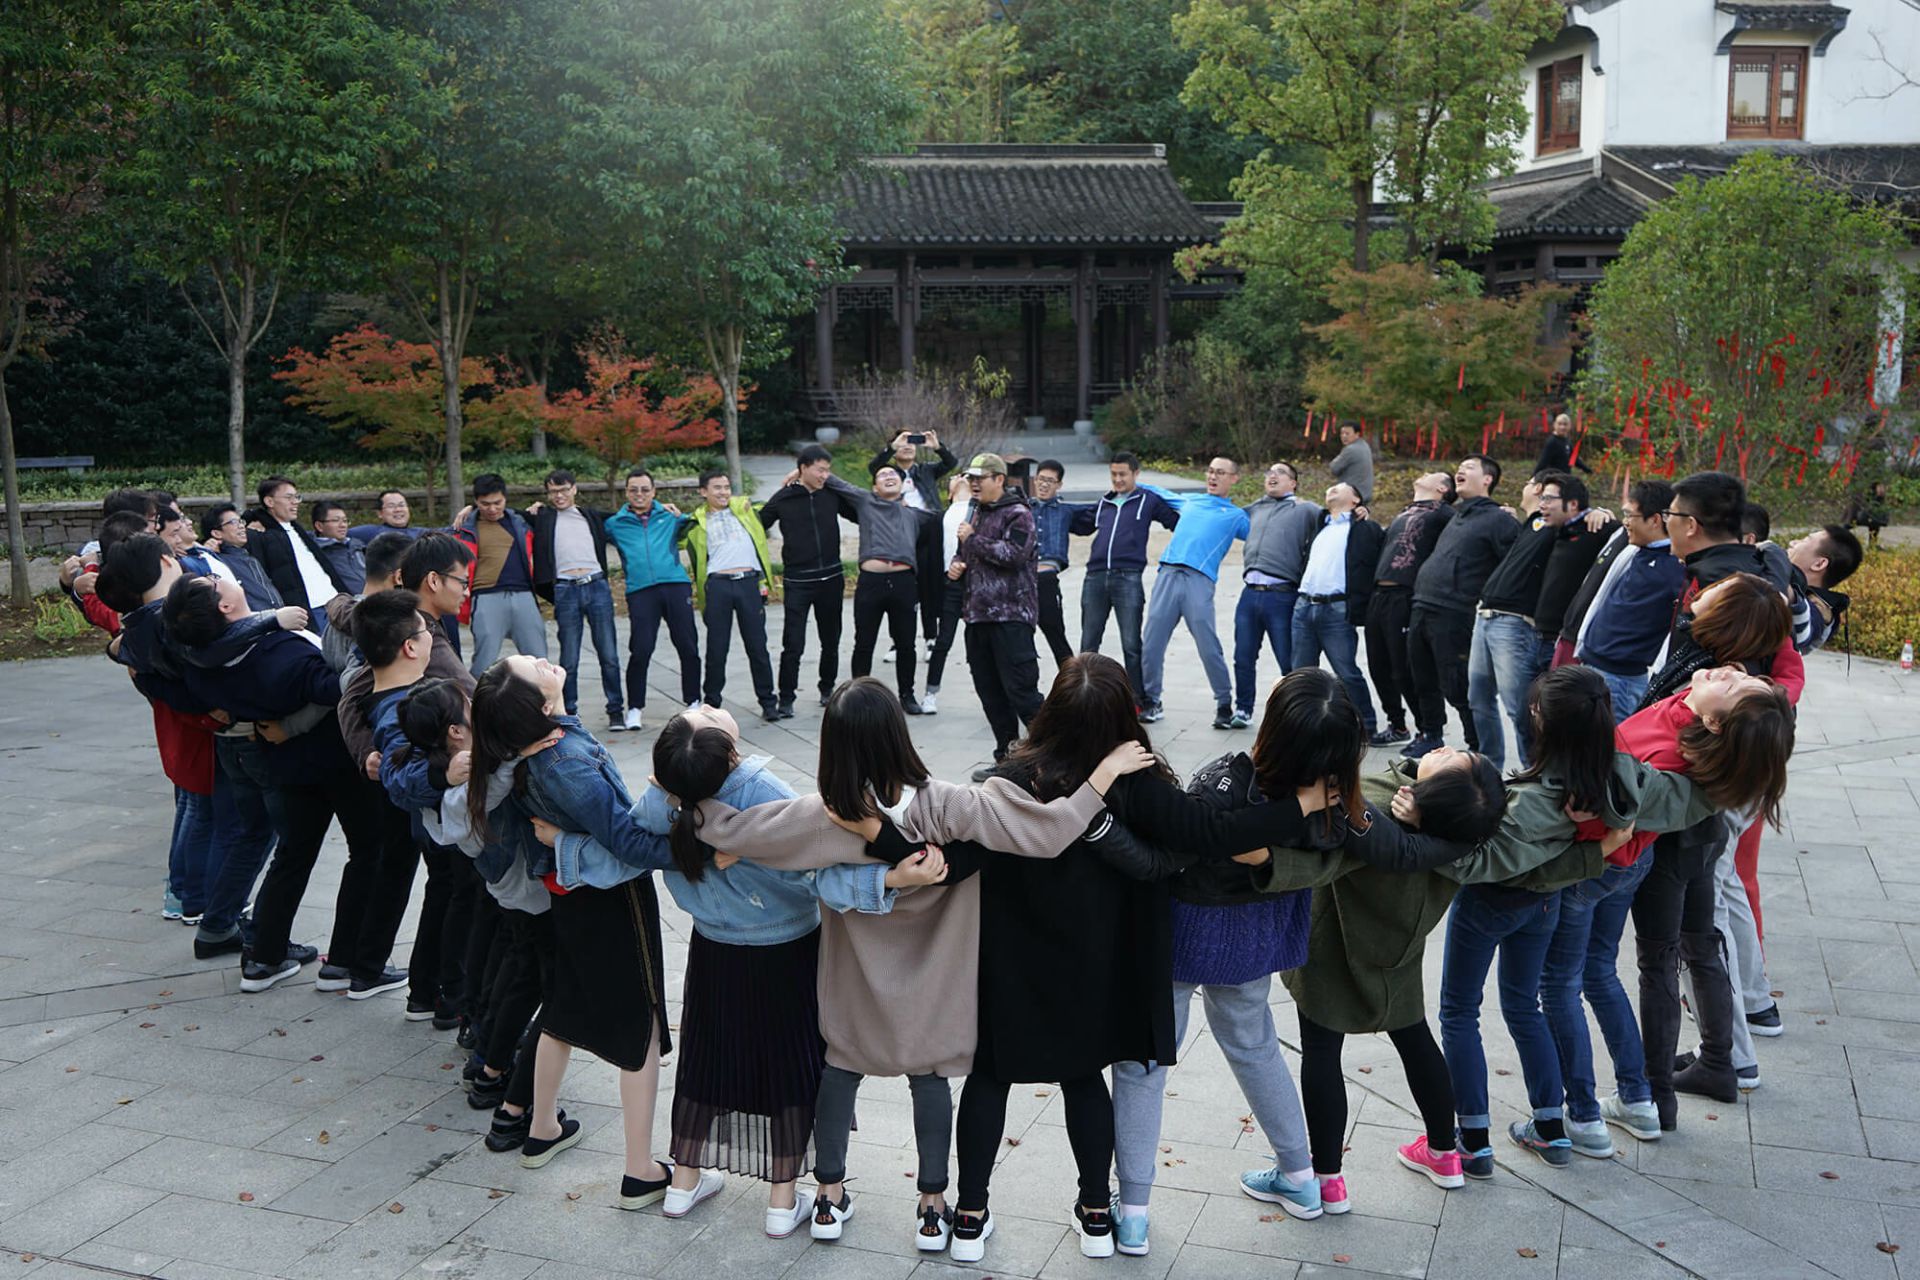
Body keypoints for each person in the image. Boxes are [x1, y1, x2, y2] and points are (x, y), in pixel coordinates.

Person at [532, 707, 909, 1232]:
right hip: (787, 948)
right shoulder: (759, 789)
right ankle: (782, 1201)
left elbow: (626, 855)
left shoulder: (664, 796)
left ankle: (683, 1183)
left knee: (708, 1060)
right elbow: (815, 872)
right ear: (729, 753)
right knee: (790, 1064)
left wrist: (566, 847)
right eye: (705, 714)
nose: (707, 705)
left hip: (713, 946)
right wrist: (887, 881)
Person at [1243, 742, 1510, 1212]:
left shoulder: (1381, 805)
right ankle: (1444, 1154)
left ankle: (1327, 1179)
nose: (1447, 746)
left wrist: (1262, 860)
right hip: (1399, 951)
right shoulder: (1467, 827)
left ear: (1436, 795)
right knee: (1416, 1041)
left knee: (1322, 1052)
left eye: (1454, 762)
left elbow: (1325, 862)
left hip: (1336, 945)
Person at [1547, 661, 1795, 1152]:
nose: (1728, 671)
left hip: (1647, 857)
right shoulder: (1697, 718)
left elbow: (1616, 803)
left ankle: (1640, 1099)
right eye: (1739, 673)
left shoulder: (1674, 756)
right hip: (1672, 849)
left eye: (1736, 682)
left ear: (1716, 723)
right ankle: (1697, 1073)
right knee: (1679, 952)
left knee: (1636, 965)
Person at [464, 654, 676, 1197]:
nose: (543, 658)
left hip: (569, 896)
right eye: (533, 666)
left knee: (562, 1007)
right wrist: (699, 853)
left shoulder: (528, 749)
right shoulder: (565, 761)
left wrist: (564, 842)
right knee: (641, 1027)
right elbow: (628, 842)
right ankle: (639, 1170)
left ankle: (542, 1128)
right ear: (539, 706)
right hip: (611, 900)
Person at [165, 571, 384, 994]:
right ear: (225, 606)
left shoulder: (201, 660)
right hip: (336, 759)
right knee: (368, 851)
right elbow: (336, 689)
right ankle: (345, 961)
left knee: (292, 854)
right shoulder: (279, 655)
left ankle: (263, 956)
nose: (218, 574)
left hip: (283, 763)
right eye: (213, 581)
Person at [1467, 472, 1589, 770]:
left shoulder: (1557, 527)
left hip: (1514, 623)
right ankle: (1489, 769)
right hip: (1485, 616)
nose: (1542, 501)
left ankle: (1533, 770)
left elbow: (1583, 521)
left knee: (1520, 707)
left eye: (1548, 496)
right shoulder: (1531, 524)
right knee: (1478, 699)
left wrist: (1597, 512)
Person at [1406, 455, 1519, 758]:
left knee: (1457, 685)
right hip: (1423, 604)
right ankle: (1431, 734)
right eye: (1460, 467)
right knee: (1422, 677)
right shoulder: (1456, 515)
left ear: (1487, 479)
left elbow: (1513, 565)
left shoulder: (1499, 520)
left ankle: (1477, 748)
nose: (1460, 470)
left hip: (1454, 611)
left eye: (1469, 467)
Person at [1138, 457, 1250, 727]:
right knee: (1151, 643)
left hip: (1199, 580)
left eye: (1220, 473)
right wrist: (1130, 481)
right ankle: (1152, 700)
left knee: (1208, 644)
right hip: (1167, 574)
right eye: (1210, 471)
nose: (1213, 477)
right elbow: (1155, 491)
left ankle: (1224, 703)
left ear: (1234, 478)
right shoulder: (1190, 501)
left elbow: (1267, 531)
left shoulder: (1236, 516)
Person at [951, 453, 1044, 775]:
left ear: (999, 479)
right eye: (971, 479)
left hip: (1010, 618)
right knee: (990, 693)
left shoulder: (1019, 514)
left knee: (1022, 692)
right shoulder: (975, 512)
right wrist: (956, 565)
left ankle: (1056, 754)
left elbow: (1014, 555)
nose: (974, 484)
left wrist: (972, 539)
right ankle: (1007, 758)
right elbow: (965, 552)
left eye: (981, 478)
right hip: (977, 618)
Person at [819, 463, 935, 714]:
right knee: (864, 642)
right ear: (874, 487)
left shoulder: (915, 515)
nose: (888, 476)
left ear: (903, 484)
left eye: (893, 474)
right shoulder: (866, 501)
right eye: (882, 475)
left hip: (904, 584)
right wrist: (803, 471)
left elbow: (941, 517)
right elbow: (834, 481)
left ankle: (907, 695)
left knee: (906, 644)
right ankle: (858, 696)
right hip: (871, 583)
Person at [1566, 481, 1684, 719]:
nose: (1626, 522)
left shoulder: (1675, 566)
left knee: (1614, 742)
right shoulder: (1636, 550)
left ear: (1655, 520)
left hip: (1621, 680)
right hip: (1593, 664)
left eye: (1630, 515)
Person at [758, 444, 859, 715]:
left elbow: (861, 511)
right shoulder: (784, 497)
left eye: (828, 470)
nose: (825, 475)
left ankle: (827, 689)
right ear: (803, 468)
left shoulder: (831, 494)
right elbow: (757, 524)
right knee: (793, 643)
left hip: (832, 579)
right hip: (798, 582)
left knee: (831, 640)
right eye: (820, 470)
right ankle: (786, 698)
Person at [1072, 452, 1180, 706]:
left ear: (1135, 474)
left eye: (1123, 474)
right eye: (1113, 474)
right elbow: (1081, 526)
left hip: (1128, 579)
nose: (1118, 479)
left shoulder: (1148, 500)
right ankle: (1083, 698)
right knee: (1088, 643)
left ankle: (1137, 699)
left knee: (1131, 644)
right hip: (1095, 577)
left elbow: (1176, 522)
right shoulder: (1104, 502)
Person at [527, 470, 624, 732]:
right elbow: (505, 512)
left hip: (597, 585)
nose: (559, 496)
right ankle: (568, 711)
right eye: (553, 492)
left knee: (609, 653)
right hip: (566, 589)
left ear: (574, 489)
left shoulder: (590, 515)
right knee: (569, 658)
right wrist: (468, 509)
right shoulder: (544, 517)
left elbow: (626, 516)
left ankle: (616, 710)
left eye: (563, 490)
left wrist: (664, 507)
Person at [1366, 471, 1456, 749]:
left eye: (1433, 474)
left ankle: (1428, 730)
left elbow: (1469, 528)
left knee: (1406, 668)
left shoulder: (1444, 513)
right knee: (1378, 666)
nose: (1424, 473)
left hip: (1406, 595)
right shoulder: (1406, 511)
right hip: (1379, 594)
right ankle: (1397, 725)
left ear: (1443, 488)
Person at [603, 470, 699, 729]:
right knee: (641, 648)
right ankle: (635, 708)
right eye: (634, 489)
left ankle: (693, 701)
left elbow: (698, 520)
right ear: (626, 492)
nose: (639, 494)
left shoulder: (670, 517)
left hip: (675, 585)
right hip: (640, 590)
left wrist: (679, 513)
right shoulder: (615, 524)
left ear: (654, 492)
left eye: (645, 489)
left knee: (687, 644)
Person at [1288, 482, 1383, 736]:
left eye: (1340, 488)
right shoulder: (1321, 525)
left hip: (1336, 609)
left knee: (1346, 672)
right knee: (1300, 673)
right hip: (1304, 606)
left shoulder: (1363, 528)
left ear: (1356, 500)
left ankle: (1366, 724)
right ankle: (1300, 726)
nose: (1332, 489)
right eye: (1330, 487)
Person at [1231, 462, 1320, 729]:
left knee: (1288, 660)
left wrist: (1361, 509)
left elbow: (1335, 516)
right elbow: (1225, 517)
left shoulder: (1305, 509)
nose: (1273, 475)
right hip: (1249, 595)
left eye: (1280, 472)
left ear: (1293, 483)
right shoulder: (1255, 508)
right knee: (1243, 657)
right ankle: (1243, 709)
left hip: (1282, 596)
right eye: (1269, 472)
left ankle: (1298, 714)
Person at [686, 469, 780, 719]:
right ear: (703, 492)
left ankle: (768, 702)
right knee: (717, 649)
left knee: (757, 646)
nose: (723, 492)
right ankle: (712, 703)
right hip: (718, 586)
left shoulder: (746, 511)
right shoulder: (696, 523)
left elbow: (771, 505)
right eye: (717, 488)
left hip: (748, 583)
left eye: (727, 487)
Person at [870, 429, 959, 649]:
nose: (908, 446)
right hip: (900, 533)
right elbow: (874, 468)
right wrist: (891, 448)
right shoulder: (888, 474)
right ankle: (898, 642)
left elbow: (950, 463)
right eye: (903, 442)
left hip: (928, 531)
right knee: (901, 588)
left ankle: (930, 637)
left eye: (911, 442)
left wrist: (937, 447)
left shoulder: (925, 470)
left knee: (929, 585)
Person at [455, 474, 547, 675]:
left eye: (497, 503)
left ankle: (545, 696)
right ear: (476, 501)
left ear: (505, 498)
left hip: (524, 596)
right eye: (485, 504)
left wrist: (541, 507)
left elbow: (553, 517)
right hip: (486, 597)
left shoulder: (520, 522)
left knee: (539, 662)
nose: (492, 509)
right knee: (483, 664)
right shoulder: (466, 527)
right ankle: (476, 696)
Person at [249, 475, 347, 634]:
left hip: (336, 602)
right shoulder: (260, 533)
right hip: (310, 609)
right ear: (269, 501)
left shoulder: (297, 529)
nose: (295, 502)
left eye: (297, 497)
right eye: (289, 497)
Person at [922, 474, 973, 715]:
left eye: (965, 476)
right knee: (943, 640)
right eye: (956, 477)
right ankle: (930, 693)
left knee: (983, 643)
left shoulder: (980, 511)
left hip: (978, 583)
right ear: (949, 492)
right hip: (950, 583)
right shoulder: (940, 516)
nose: (960, 478)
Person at [1025, 460, 1084, 667]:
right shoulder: (1022, 508)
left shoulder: (1065, 511)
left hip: (1046, 579)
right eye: (1041, 479)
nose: (1044, 484)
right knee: (1020, 638)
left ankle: (1073, 681)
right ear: (1034, 480)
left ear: (1059, 484)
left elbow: (1100, 512)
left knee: (1056, 634)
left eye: (1050, 481)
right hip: (1020, 580)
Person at [1786, 524, 1861, 654]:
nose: (1792, 542)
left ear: (1819, 564)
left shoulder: (1818, 614)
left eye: (1804, 540)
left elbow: (1799, 635)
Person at [200, 504, 285, 612]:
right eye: (233, 522)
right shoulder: (219, 562)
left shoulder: (247, 557)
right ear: (217, 533)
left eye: (241, 521)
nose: (241, 526)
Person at [311, 501, 367, 594]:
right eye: (336, 520)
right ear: (319, 526)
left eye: (345, 521)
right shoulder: (317, 553)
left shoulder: (357, 545)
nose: (343, 525)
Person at [350, 490, 420, 544]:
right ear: (380, 513)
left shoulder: (421, 533)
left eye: (401, 505)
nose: (398, 509)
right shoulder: (369, 532)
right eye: (391, 506)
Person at [1329, 421, 1374, 503]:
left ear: (1357, 434)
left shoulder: (1351, 450)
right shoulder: (1364, 445)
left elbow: (1334, 468)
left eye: (1347, 434)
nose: (1344, 436)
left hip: (1352, 495)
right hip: (1365, 493)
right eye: (1342, 433)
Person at [1534, 412, 1589, 476]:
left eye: (1565, 424)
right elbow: (1543, 462)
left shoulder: (1567, 440)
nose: (1562, 427)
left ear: (1569, 426)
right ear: (1554, 425)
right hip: (1554, 477)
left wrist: (1588, 471)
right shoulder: (1552, 442)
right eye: (1559, 424)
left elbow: (1574, 459)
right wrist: (1533, 477)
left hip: (1566, 476)